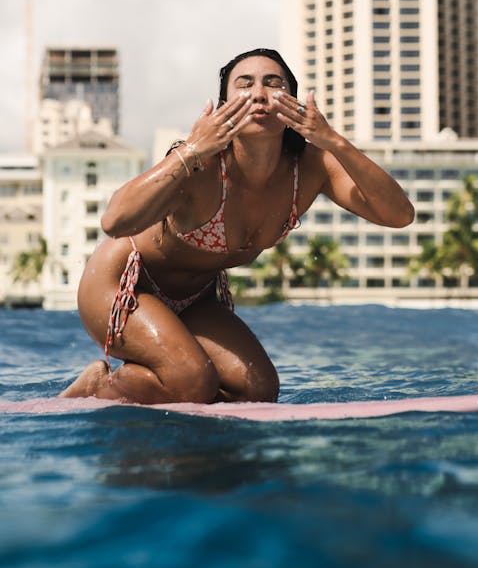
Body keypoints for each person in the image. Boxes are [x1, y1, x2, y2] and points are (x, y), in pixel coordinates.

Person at [61, 48, 414, 405]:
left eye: (273, 84)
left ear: (293, 101)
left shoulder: (311, 167)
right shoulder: (201, 163)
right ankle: (98, 385)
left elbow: (399, 214)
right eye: (245, 85)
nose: (259, 94)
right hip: (124, 284)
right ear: (224, 105)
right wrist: (193, 149)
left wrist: (332, 140)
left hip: (196, 298)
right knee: (191, 379)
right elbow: (114, 221)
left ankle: (163, 406)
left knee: (257, 389)